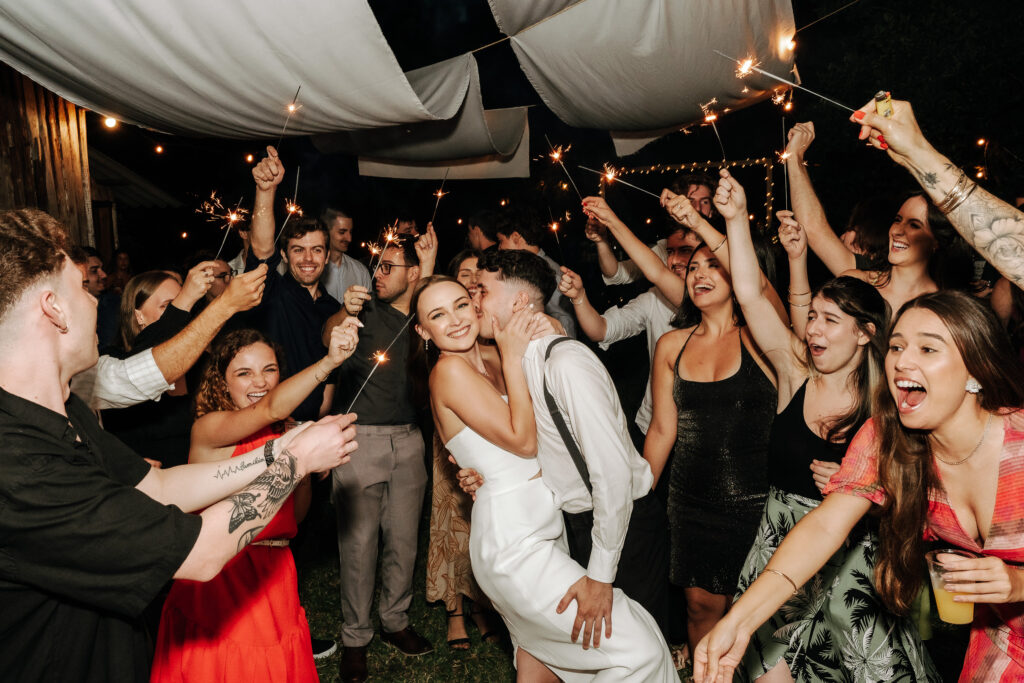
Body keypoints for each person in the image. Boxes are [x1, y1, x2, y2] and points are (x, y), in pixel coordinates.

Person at [0, 208, 357, 682]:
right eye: (84, 289)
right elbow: (201, 554)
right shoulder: (19, 463)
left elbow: (162, 485)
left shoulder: (68, 410)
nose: (97, 299)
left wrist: (280, 450)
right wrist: (296, 461)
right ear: (53, 308)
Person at [695, 291, 1024, 683]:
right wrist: (739, 622)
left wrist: (1019, 583)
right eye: (897, 346)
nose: (902, 362)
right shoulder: (886, 438)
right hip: (1000, 644)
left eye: (927, 349)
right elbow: (825, 526)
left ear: (976, 369)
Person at [416, 274, 676, 681]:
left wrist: (539, 332)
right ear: (423, 331)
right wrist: (512, 355)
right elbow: (523, 441)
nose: (455, 319)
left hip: (547, 527)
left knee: (541, 664)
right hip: (513, 544)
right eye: (437, 315)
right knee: (640, 648)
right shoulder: (449, 371)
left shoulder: (491, 359)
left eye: (461, 304)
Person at [727, 200, 938, 681]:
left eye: (830, 320)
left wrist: (863, 491)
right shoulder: (794, 372)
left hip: (853, 566)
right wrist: (737, 216)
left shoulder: (890, 405)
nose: (813, 329)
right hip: (779, 549)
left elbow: (917, 498)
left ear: (865, 334)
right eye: (813, 316)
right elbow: (750, 294)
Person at [461, 249, 672, 637]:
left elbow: (611, 473)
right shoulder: (519, 363)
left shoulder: (565, 363)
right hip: (577, 524)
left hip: (622, 528)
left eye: (482, 291)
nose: (474, 301)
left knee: (638, 646)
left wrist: (601, 575)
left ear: (519, 302)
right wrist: (487, 476)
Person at [152, 320, 360, 683]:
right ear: (222, 381)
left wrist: (304, 469)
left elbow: (295, 518)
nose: (260, 382)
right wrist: (330, 362)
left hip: (276, 571)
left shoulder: (287, 431)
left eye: (269, 370)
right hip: (226, 572)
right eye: (244, 373)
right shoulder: (210, 428)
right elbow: (270, 409)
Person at [641, 171, 781, 661]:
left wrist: (706, 223)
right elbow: (663, 429)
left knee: (757, 612)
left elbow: (758, 287)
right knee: (701, 607)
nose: (699, 274)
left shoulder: (765, 337)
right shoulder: (671, 345)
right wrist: (638, 495)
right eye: (693, 267)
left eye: (714, 266)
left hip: (757, 499)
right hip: (690, 499)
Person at [323, 231, 437, 682]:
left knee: (404, 540)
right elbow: (329, 334)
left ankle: (395, 620)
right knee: (358, 544)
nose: (378, 274)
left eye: (390, 267)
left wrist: (428, 270)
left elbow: (431, 318)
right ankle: (355, 636)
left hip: (410, 440)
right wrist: (345, 311)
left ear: (413, 273)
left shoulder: (425, 318)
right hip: (360, 439)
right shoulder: (363, 309)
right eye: (378, 265)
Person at [785, 122, 973, 312]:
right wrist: (794, 157)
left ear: (936, 242)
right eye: (898, 220)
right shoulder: (861, 282)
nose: (898, 231)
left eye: (914, 225)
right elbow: (814, 228)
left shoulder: (944, 308)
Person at [424, 247, 499, 651]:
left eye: (475, 280)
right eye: (464, 273)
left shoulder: (496, 347)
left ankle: (483, 605)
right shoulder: (447, 365)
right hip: (458, 453)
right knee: (452, 526)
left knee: (476, 531)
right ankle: (455, 611)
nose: (471, 281)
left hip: (506, 481)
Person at [247, 147, 341, 423]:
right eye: (298, 250)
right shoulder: (272, 291)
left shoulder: (334, 308)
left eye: (316, 250)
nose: (308, 259)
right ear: (285, 256)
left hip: (313, 426)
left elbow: (333, 372)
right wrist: (266, 191)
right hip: (268, 423)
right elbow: (261, 248)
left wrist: (318, 421)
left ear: (327, 256)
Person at [103, 265, 216, 467]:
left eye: (185, 304)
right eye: (168, 306)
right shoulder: (113, 362)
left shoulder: (202, 363)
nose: (182, 313)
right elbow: (143, 363)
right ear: (139, 316)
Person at [590, 173, 716, 286]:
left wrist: (611, 220)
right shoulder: (667, 248)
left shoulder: (722, 247)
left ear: (712, 210)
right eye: (690, 201)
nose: (697, 208)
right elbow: (616, 274)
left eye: (705, 202)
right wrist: (601, 240)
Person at [495, 218, 577, 338]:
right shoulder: (529, 268)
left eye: (501, 241)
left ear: (516, 237)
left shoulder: (550, 272)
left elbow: (564, 319)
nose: (499, 248)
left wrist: (564, 343)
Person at [322, 207, 371, 304]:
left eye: (350, 232)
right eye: (342, 232)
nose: (349, 238)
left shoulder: (361, 272)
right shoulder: (314, 269)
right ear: (326, 232)